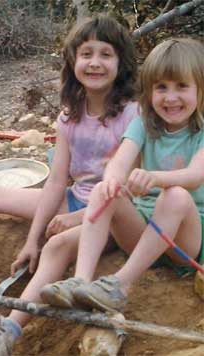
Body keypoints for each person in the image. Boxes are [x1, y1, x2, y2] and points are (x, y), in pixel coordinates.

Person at [0, 15, 139, 356]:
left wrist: (77, 219)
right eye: (86, 53)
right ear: (72, 60)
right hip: (75, 200)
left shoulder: (133, 115)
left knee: (57, 247)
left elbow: (128, 191)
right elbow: (56, 181)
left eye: (105, 54)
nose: (94, 62)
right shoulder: (70, 114)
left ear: (121, 62)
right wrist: (31, 238)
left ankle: (6, 331)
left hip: (111, 218)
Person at [42, 37, 204, 315]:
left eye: (181, 87)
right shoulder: (143, 123)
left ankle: (120, 284)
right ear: (149, 91)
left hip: (185, 241)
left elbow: (194, 175)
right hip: (142, 233)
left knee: (175, 195)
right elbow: (120, 160)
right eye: (161, 87)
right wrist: (113, 181)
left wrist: (154, 178)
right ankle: (80, 280)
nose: (170, 97)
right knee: (104, 189)